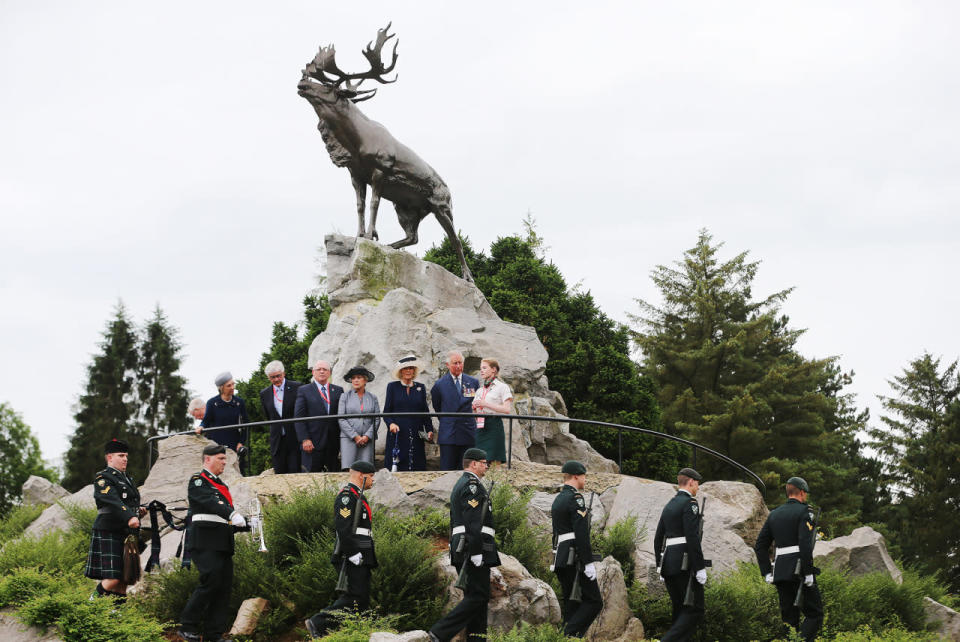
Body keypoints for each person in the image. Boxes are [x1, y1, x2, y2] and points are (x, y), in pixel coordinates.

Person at [428, 448, 500, 642]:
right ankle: (440, 632)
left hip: (469, 546)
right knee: (478, 595)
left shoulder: (468, 484)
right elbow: (473, 521)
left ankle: (477, 639)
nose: (487, 466)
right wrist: (476, 551)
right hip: (472, 547)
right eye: (484, 462)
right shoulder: (471, 485)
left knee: (478, 597)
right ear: (474, 464)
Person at [177, 444, 247, 642]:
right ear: (207, 459)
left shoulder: (220, 484)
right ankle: (187, 626)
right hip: (206, 541)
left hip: (222, 542)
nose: (225, 462)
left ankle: (213, 635)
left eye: (225, 459)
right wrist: (232, 513)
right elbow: (209, 503)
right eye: (221, 459)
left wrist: (246, 524)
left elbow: (223, 517)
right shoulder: (199, 481)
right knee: (210, 582)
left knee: (223, 588)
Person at [304, 460, 378, 638]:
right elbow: (343, 528)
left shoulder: (358, 496)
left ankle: (347, 632)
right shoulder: (347, 496)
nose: (373, 481)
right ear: (362, 475)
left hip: (363, 552)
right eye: (372, 477)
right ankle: (318, 622)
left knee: (362, 598)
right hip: (353, 554)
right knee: (355, 595)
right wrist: (353, 553)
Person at [754, 476, 823, 642]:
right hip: (798, 569)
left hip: (781, 572)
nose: (806, 496)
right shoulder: (804, 512)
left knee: (789, 619)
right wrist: (808, 573)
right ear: (801, 492)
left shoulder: (774, 514)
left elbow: (760, 546)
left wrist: (767, 572)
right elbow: (805, 545)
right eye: (805, 493)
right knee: (815, 614)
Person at [84, 439, 146, 603]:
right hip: (109, 529)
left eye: (126, 455)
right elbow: (112, 500)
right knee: (114, 578)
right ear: (109, 457)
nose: (125, 459)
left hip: (125, 533)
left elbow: (127, 503)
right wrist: (130, 516)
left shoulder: (128, 480)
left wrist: (138, 512)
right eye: (121, 455)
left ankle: (118, 615)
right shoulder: (103, 478)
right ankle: (90, 603)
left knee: (124, 580)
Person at [654, 467, 708, 642]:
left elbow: (658, 537)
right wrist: (699, 567)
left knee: (679, 609)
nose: (698, 487)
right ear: (691, 482)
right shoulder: (690, 503)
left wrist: (659, 564)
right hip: (683, 563)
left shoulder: (670, 504)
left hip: (669, 563)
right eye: (697, 483)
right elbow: (692, 537)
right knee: (695, 608)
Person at [551, 460, 603, 636]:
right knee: (594, 602)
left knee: (572, 604)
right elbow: (581, 534)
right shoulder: (576, 498)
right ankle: (567, 635)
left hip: (562, 556)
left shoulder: (558, 498)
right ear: (575, 476)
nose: (585, 479)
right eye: (583, 476)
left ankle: (570, 637)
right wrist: (588, 563)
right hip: (574, 557)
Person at [430, 351, 480, 470]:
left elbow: (477, 404)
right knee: (447, 469)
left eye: (460, 363)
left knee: (467, 470)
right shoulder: (439, 385)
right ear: (448, 365)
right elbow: (437, 407)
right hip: (449, 434)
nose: (458, 366)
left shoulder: (473, 382)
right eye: (455, 363)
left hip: (468, 432)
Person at [383, 355, 433, 471]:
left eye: (411, 368)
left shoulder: (420, 388)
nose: (408, 371)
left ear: (414, 371)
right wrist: (390, 424)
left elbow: (425, 412)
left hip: (416, 433)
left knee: (417, 465)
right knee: (397, 466)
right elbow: (386, 412)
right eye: (405, 368)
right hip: (398, 433)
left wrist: (429, 430)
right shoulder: (392, 387)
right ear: (401, 371)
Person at [294, 360, 344, 472]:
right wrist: (305, 439)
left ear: (329, 373)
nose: (322, 371)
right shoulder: (304, 390)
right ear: (313, 372)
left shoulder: (338, 390)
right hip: (312, 443)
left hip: (333, 442)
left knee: (333, 476)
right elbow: (299, 417)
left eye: (325, 369)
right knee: (311, 477)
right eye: (319, 369)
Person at [259, 360, 303, 474]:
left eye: (278, 376)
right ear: (269, 378)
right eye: (272, 377)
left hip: (294, 437)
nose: (276, 379)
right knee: (279, 472)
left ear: (283, 373)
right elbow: (268, 415)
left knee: (295, 471)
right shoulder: (265, 393)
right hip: (277, 439)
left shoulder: (297, 387)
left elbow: (301, 412)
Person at [471, 358, 513, 465]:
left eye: (484, 368)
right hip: (480, 427)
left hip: (494, 425)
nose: (481, 371)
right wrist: (475, 409)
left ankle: (496, 482)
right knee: (480, 461)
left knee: (494, 462)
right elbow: (475, 414)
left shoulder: (502, 387)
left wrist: (486, 404)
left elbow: (507, 409)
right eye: (481, 368)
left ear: (493, 369)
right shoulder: (480, 390)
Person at [338, 366, 381, 470]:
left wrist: (367, 436)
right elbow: (341, 418)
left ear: (365, 380)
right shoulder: (344, 396)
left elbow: (377, 419)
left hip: (367, 440)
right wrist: (355, 436)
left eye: (359, 377)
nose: (356, 380)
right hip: (349, 438)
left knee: (366, 469)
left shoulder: (372, 397)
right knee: (350, 469)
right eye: (353, 378)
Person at [201, 372, 248, 454]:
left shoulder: (239, 402)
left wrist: (241, 442)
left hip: (234, 444)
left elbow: (246, 424)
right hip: (216, 444)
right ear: (221, 388)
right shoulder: (212, 403)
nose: (232, 387)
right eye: (229, 386)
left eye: (233, 384)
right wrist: (201, 426)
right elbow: (206, 421)